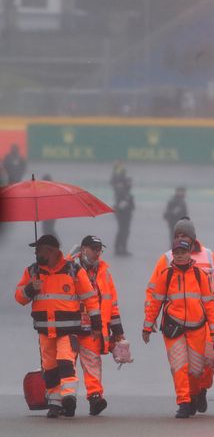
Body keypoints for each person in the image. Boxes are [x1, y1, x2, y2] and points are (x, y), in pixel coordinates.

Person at [15, 235, 101, 419]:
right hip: (45, 331)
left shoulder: (73, 270)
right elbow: (19, 297)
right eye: (36, 250)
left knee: (66, 361)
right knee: (50, 366)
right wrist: (30, 289)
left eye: (40, 250)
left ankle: (69, 397)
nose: (36, 253)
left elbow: (90, 298)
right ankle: (55, 403)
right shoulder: (32, 272)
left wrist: (96, 324)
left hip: (68, 330)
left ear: (52, 251)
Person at [143, 240, 214, 418]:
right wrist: (147, 326)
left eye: (183, 251)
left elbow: (209, 304)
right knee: (179, 366)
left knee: (195, 369)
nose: (179, 255)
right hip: (173, 328)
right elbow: (155, 302)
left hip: (197, 328)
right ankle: (183, 402)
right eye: (176, 252)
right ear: (173, 254)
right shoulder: (166, 275)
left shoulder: (200, 275)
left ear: (189, 253)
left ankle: (194, 395)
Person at [169, 218, 214, 412]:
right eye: (178, 236)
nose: (181, 238)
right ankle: (189, 397)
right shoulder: (168, 258)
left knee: (207, 361)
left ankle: (201, 389)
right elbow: (157, 290)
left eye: (184, 235)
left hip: (205, 321)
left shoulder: (209, 256)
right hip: (179, 323)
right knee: (185, 364)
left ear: (193, 237)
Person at [71, 236, 126, 415]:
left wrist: (118, 332)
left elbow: (112, 303)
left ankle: (95, 397)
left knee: (92, 362)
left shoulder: (104, 271)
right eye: (93, 249)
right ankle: (65, 398)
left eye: (99, 249)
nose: (97, 253)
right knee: (66, 363)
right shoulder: (68, 267)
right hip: (69, 324)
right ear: (83, 248)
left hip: (93, 327)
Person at [114, 177, 134, 256]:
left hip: (127, 215)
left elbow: (132, 205)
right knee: (122, 231)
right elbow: (118, 205)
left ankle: (122, 248)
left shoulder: (127, 193)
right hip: (122, 215)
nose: (131, 184)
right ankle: (119, 248)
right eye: (129, 182)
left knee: (125, 231)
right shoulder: (123, 192)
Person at [41, 174, 58, 239]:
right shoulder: (51, 189)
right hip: (50, 214)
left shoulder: (48, 190)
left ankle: (55, 242)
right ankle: (54, 242)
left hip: (50, 214)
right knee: (48, 230)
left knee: (47, 230)